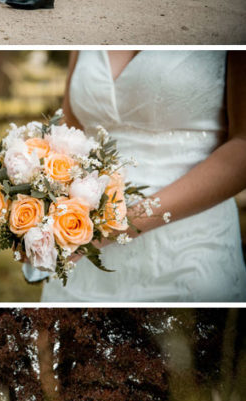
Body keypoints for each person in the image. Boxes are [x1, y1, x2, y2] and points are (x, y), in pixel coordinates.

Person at [40, 50, 246, 302]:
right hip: (81, 252)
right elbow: (71, 129)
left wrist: (114, 227)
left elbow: (242, 145)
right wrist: (36, 210)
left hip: (188, 248)